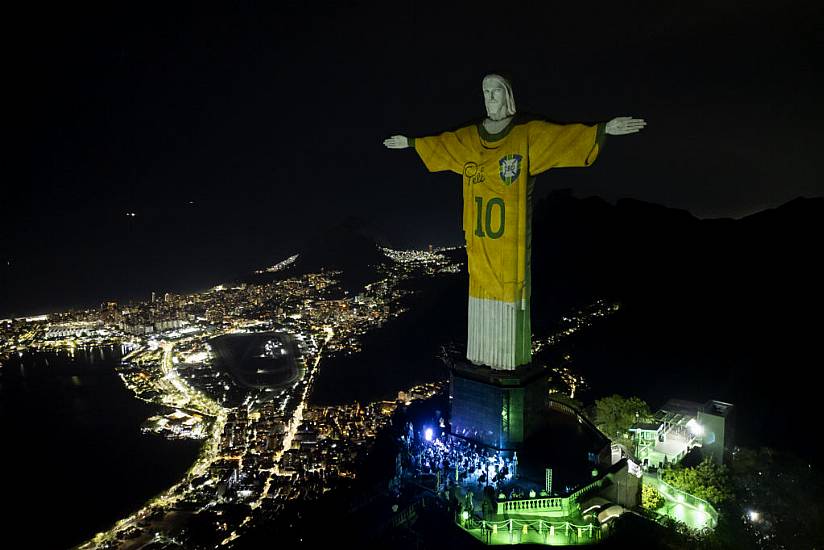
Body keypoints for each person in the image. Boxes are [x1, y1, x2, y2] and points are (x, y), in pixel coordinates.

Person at [384, 74, 645, 370]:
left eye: (495, 91)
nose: (489, 97)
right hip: (480, 238)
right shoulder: (472, 137)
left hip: (509, 239)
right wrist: (411, 143)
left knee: (511, 293)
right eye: (485, 92)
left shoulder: (525, 133)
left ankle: (507, 362)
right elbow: (444, 145)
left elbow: (562, 138)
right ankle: (481, 359)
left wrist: (603, 129)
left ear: (507, 96)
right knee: (478, 290)